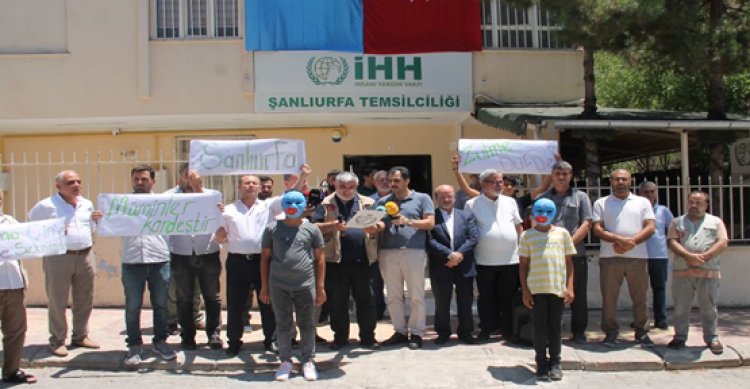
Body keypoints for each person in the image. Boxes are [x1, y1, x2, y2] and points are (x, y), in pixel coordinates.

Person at [214, 165, 310, 356]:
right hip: (237, 262)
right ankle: (234, 341)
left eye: (254, 183)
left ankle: (271, 340)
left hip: (264, 261)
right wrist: (220, 233)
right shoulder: (227, 210)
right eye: (246, 183)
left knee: (268, 302)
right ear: (239, 187)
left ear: (260, 188)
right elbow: (220, 238)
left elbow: (291, 196)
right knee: (235, 303)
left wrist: (302, 176)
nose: (250, 186)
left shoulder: (269, 206)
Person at [28, 170, 102, 357]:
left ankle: (80, 336)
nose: (76, 185)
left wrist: (96, 221)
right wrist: (52, 231)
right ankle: (57, 340)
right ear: (58, 186)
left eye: (78, 181)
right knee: (57, 300)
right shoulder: (45, 206)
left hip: (85, 254)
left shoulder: (87, 204)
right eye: (70, 182)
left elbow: (89, 227)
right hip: (58, 257)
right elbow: (31, 228)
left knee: (84, 299)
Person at [260, 191, 326, 381]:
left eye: (297, 202)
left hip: (305, 284)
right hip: (278, 285)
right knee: (283, 324)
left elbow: (320, 259)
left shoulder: (312, 230)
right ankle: (285, 361)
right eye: (289, 202)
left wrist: (320, 287)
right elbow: (265, 258)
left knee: (307, 324)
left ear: (304, 205)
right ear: (283, 204)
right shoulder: (272, 229)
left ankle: (308, 361)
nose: (293, 205)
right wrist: (265, 287)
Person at [313, 171, 380, 350]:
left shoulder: (369, 202)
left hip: (364, 260)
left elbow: (382, 222)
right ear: (335, 185)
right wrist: (332, 226)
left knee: (366, 301)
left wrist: (376, 228)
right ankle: (340, 338)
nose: (347, 190)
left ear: (356, 187)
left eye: (351, 187)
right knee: (337, 302)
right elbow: (313, 227)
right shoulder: (325, 204)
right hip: (335, 261)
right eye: (343, 186)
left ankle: (368, 337)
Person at [373, 166, 435, 349]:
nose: (392, 184)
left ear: (407, 181)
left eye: (396, 181)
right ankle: (399, 331)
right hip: (387, 252)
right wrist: (373, 227)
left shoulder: (422, 198)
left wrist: (408, 221)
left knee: (416, 295)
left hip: (413, 251)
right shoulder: (383, 201)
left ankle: (416, 333)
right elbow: (379, 224)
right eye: (390, 181)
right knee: (393, 296)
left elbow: (430, 223)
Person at [120, 165, 177, 366]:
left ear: (153, 181)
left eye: (144, 179)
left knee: (161, 305)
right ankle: (134, 345)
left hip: (159, 260)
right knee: (133, 306)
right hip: (132, 261)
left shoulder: (164, 203)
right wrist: (100, 219)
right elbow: (107, 226)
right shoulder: (120, 204)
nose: (139, 183)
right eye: (136, 179)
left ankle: (160, 342)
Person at [592, 169, 655, 346]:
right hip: (610, 257)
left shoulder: (642, 202)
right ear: (611, 181)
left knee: (640, 297)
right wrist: (618, 240)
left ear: (631, 181)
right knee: (609, 298)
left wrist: (631, 242)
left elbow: (650, 227)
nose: (620, 182)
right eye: (617, 179)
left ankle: (642, 331)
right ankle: (611, 332)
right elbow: (597, 229)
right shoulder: (601, 203)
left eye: (624, 179)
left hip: (638, 257)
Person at [165, 163, 223, 350]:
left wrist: (197, 188)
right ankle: (187, 336)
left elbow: (214, 214)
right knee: (184, 298)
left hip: (207, 252)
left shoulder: (213, 195)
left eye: (193, 176)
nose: (189, 179)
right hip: (181, 253)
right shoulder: (168, 198)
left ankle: (214, 334)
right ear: (180, 177)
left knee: (212, 297)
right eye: (186, 176)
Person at [519, 198, 575, 382]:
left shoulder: (562, 234)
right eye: (539, 211)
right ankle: (541, 363)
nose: (543, 216)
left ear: (555, 214)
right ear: (533, 213)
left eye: (548, 212)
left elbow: (569, 263)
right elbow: (523, 265)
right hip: (536, 289)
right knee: (539, 326)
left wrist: (570, 287)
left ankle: (556, 363)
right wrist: (526, 291)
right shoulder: (527, 236)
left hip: (557, 288)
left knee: (555, 327)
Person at [463, 168, 522, 342]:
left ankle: (508, 331)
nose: (500, 185)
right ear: (483, 184)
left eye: (501, 181)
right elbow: (468, 230)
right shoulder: (472, 204)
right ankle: (486, 329)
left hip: (511, 259)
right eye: (496, 181)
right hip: (484, 260)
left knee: (508, 297)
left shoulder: (510, 202)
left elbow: (518, 226)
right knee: (486, 298)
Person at [667, 191, 729, 354]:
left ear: (706, 205)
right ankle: (680, 337)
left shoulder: (715, 222)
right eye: (691, 202)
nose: (693, 206)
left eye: (698, 203)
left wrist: (704, 257)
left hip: (708, 271)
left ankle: (711, 338)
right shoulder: (677, 222)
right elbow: (672, 242)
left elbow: (722, 242)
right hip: (682, 271)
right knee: (681, 307)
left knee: (708, 307)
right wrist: (689, 256)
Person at [538, 160, 592, 343]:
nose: (561, 177)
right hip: (549, 256)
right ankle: (553, 332)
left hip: (574, 254)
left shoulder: (581, 197)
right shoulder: (544, 197)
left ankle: (578, 332)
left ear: (571, 176)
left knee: (577, 295)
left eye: (565, 174)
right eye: (558, 174)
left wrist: (566, 245)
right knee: (551, 296)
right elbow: (539, 223)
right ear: (552, 176)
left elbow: (586, 223)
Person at [427, 185, 478, 345]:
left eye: (449, 196)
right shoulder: (431, 217)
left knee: (465, 300)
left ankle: (466, 332)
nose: (446, 200)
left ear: (455, 197)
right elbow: (429, 241)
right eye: (442, 197)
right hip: (441, 265)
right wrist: (449, 255)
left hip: (464, 264)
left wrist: (459, 255)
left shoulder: (466, 215)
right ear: (436, 199)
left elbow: (473, 238)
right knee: (442, 301)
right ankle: (443, 332)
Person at [0, 192, 37, 384]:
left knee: (16, 330)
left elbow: (28, 242)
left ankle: (11, 371)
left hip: (13, 284)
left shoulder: (10, 222)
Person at [638, 181, 674, 330]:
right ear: (640, 193)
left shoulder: (663, 211)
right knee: (639, 290)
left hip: (659, 255)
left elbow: (673, 229)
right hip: (639, 255)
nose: (650, 195)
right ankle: (640, 320)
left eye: (652, 191)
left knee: (659, 288)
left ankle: (660, 319)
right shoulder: (636, 209)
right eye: (646, 192)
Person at [368, 169, 389, 320]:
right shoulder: (369, 202)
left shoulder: (398, 199)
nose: (385, 182)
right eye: (381, 179)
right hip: (374, 248)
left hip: (394, 246)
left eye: (387, 179)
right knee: (375, 282)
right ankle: (377, 311)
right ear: (375, 183)